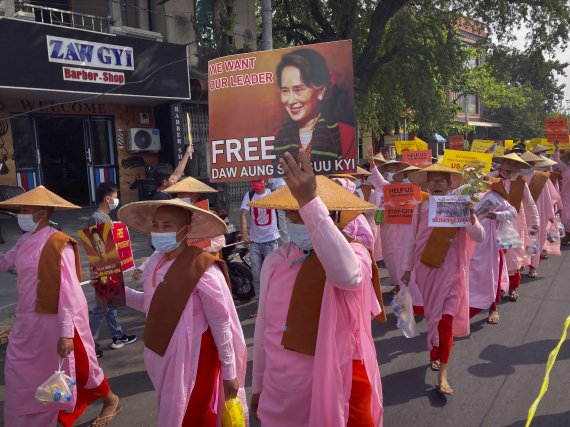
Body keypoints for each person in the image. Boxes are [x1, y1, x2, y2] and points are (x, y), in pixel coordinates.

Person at [250, 151, 384, 426]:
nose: (299, 221)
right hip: (281, 391)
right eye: (292, 215)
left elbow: (347, 276)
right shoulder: (275, 262)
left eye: (304, 214)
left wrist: (309, 202)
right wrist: (257, 385)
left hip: (338, 384)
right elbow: (264, 328)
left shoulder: (354, 251)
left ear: (329, 214)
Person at [117, 198, 248, 426]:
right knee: (174, 411)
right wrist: (119, 292)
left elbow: (222, 324)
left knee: (193, 415)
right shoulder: (155, 263)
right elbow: (151, 305)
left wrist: (230, 372)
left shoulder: (202, 269)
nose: (158, 231)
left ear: (185, 231)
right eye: (155, 225)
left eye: (167, 226)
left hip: (196, 358)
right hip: (163, 355)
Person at [0, 185, 120, 427]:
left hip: (56, 320)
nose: (21, 215)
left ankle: (110, 400)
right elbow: (4, 262)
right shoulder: (24, 240)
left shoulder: (58, 244)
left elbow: (68, 291)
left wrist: (66, 333)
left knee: (82, 368)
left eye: (25, 209)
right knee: (20, 372)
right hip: (26, 320)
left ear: (42, 212)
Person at [401, 164, 485, 395]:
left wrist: (471, 216)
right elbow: (411, 242)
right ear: (427, 184)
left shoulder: (459, 206)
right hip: (426, 268)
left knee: (445, 319)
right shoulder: (419, 209)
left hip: (451, 271)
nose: (437, 184)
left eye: (442, 181)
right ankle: (434, 351)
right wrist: (407, 270)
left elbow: (479, 236)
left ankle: (443, 375)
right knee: (432, 316)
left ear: (450, 185)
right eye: (433, 180)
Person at [272, 49, 356, 173]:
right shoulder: (274, 138)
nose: (290, 100)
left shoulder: (345, 135)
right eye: (285, 91)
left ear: (321, 91)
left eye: (298, 89)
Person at [88, 183, 137, 358]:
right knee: (102, 308)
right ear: (107, 199)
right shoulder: (97, 219)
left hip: (112, 266)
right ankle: (89, 344)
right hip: (104, 268)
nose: (117, 200)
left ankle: (118, 336)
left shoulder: (105, 218)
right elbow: (98, 248)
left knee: (112, 305)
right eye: (115, 196)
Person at [488, 153, 539, 301]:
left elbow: (530, 204)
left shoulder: (521, 182)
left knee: (512, 259)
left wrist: (535, 223)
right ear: (502, 164)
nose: (511, 167)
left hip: (513, 227)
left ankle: (512, 288)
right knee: (493, 260)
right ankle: (496, 291)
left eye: (515, 165)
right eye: (509, 164)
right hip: (492, 224)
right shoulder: (489, 178)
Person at [467, 181, 517, 324]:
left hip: (488, 246)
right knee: (466, 279)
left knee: (490, 277)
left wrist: (497, 215)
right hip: (464, 245)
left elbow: (513, 212)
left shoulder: (493, 196)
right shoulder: (459, 194)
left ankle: (492, 307)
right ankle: (464, 311)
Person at [518, 151, 563, 278]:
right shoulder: (515, 178)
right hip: (520, 213)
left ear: (533, 163)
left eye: (530, 162)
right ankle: (520, 265)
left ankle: (532, 267)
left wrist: (550, 214)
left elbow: (548, 198)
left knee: (534, 241)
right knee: (521, 240)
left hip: (535, 213)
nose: (528, 164)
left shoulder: (541, 177)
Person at [240, 179, 280, 316]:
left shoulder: (272, 193)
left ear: (266, 181)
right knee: (257, 277)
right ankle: (260, 307)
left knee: (272, 276)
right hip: (255, 243)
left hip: (271, 242)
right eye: (254, 181)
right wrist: (244, 232)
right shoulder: (249, 195)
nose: (257, 183)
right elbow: (243, 213)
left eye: (260, 180)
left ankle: (274, 306)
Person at [553, 142, 570, 244]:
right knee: (566, 216)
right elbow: (556, 161)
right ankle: (567, 235)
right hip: (566, 196)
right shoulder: (565, 167)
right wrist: (556, 149)